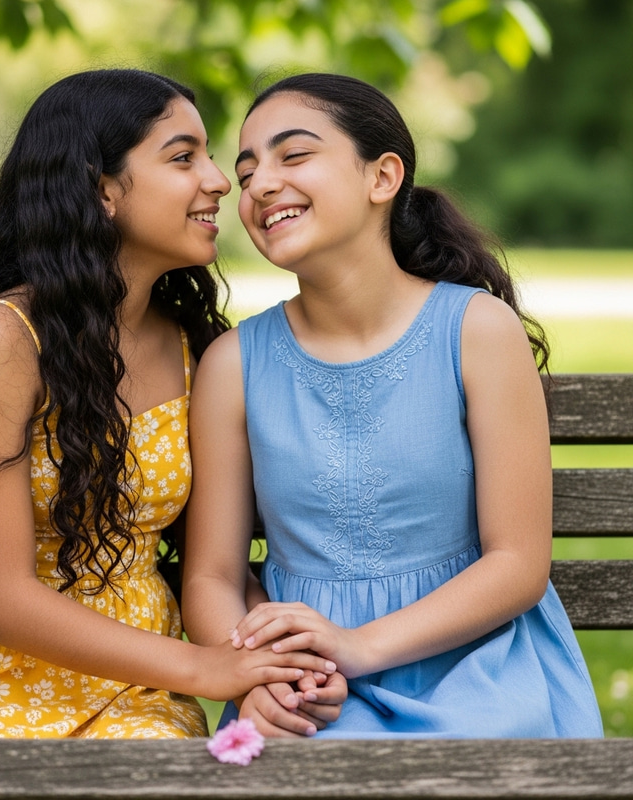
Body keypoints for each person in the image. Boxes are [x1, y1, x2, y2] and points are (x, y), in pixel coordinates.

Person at [0, 68, 338, 739]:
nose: (221, 180)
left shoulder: (198, 349)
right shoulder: (0, 340)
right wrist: (205, 671)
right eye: (182, 158)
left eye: (208, 155)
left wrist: (269, 661)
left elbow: (213, 566)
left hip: (137, 689)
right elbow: (1, 601)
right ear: (101, 188)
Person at [182, 73, 604, 738]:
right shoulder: (234, 364)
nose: (259, 184)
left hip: (478, 670)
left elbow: (518, 564)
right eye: (247, 169)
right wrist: (258, 671)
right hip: (306, 684)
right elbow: (212, 575)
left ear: (382, 178)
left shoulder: (475, 331)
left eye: (293, 156)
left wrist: (358, 645)